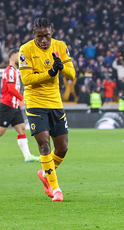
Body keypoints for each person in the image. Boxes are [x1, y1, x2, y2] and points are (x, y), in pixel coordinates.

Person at [19, 18, 76, 202]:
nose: (44, 40)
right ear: (34, 35)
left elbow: (72, 73)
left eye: (47, 36)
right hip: (35, 102)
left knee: (63, 148)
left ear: (52, 33)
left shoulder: (60, 46)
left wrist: (61, 69)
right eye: (40, 36)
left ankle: (45, 173)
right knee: (44, 144)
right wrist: (50, 73)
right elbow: (26, 79)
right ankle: (56, 189)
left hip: (55, 103)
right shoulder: (25, 50)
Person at [0, 48, 40, 164]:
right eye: (18, 56)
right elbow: (11, 89)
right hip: (7, 106)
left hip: (14, 106)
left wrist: (19, 101)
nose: (21, 59)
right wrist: (22, 99)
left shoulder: (14, 71)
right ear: (12, 57)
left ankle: (27, 156)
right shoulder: (9, 71)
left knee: (22, 129)